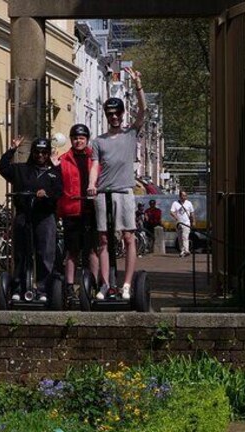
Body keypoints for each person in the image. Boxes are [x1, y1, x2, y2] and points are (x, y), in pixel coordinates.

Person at [87, 67, 146, 300]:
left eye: (117, 114)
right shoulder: (98, 141)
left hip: (124, 192)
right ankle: (105, 284)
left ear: (122, 115)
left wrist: (138, 84)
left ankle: (127, 284)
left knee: (128, 237)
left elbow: (143, 110)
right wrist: (92, 185)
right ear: (106, 115)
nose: (113, 117)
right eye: (110, 114)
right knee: (103, 239)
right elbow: (94, 165)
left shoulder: (130, 133)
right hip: (103, 192)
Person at [0, 136, 62, 302]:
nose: (40, 155)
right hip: (24, 215)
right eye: (37, 152)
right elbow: (2, 167)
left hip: (45, 216)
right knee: (21, 254)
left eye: (44, 152)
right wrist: (12, 149)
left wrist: (46, 194)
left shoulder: (53, 173)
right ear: (32, 152)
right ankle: (19, 287)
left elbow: (58, 192)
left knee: (45, 255)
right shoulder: (21, 169)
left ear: (48, 154)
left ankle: (43, 290)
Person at [57, 123, 99, 304]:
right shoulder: (63, 160)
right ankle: (69, 286)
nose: (78, 141)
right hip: (72, 211)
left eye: (81, 138)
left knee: (92, 251)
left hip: (92, 211)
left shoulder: (95, 159)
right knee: (72, 251)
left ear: (87, 140)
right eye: (75, 138)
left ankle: (94, 285)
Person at [171, 190, 196, 257]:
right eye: (183, 195)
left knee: (185, 236)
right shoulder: (175, 203)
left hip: (186, 223)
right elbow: (172, 212)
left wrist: (193, 221)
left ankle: (186, 250)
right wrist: (176, 218)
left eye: (186, 195)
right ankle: (182, 251)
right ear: (180, 196)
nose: (185, 197)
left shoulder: (189, 203)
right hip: (179, 223)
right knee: (180, 238)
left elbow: (192, 213)